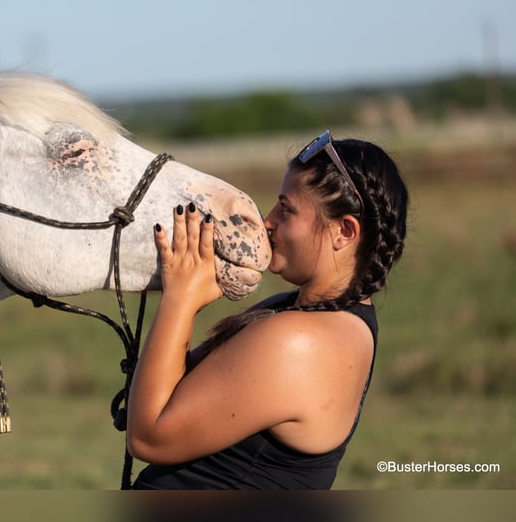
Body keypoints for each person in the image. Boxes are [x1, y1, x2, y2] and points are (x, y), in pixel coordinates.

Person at [126, 131, 409, 489]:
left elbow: (148, 438)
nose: (268, 221)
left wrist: (180, 298)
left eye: (286, 209)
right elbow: (176, 393)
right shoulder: (307, 314)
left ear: (345, 231)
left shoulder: (298, 342)